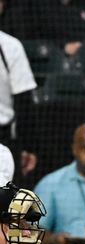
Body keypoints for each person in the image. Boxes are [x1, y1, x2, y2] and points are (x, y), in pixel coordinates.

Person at [0, 29, 38, 184]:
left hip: (4, 139)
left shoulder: (9, 46)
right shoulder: (9, 44)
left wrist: (27, 147)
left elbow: (24, 100)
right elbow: (24, 101)